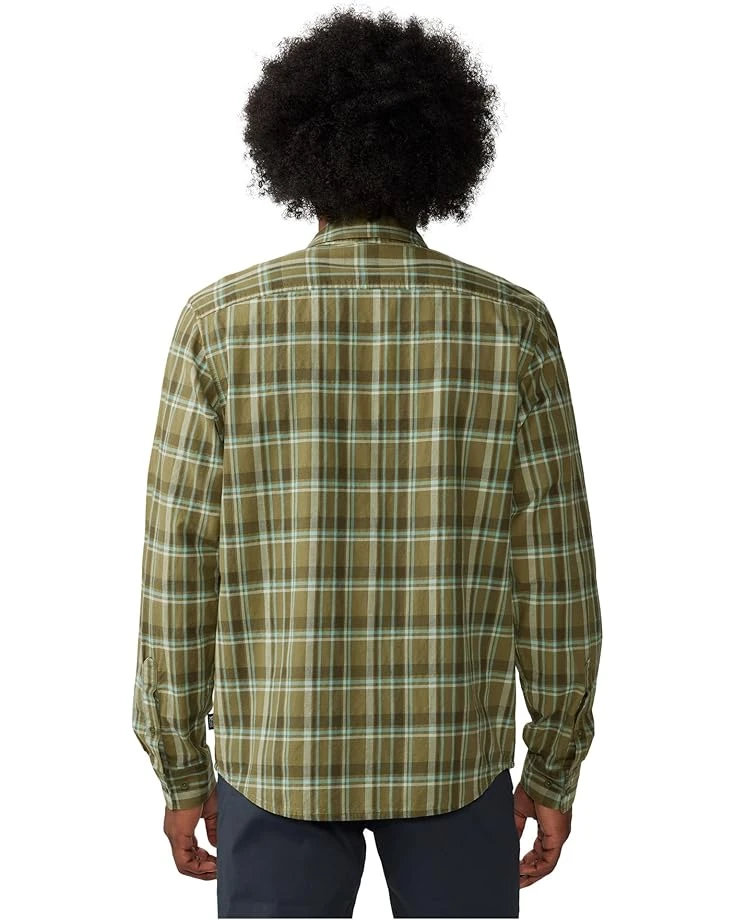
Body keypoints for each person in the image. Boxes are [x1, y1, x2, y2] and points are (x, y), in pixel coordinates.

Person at [131, 6, 603, 918]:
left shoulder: (218, 325)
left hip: (279, 762)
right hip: (455, 760)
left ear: (296, 154)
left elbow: (178, 565)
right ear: (441, 158)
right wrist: (554, 765)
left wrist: (181, 767)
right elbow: (554, 572)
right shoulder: (513, 327)